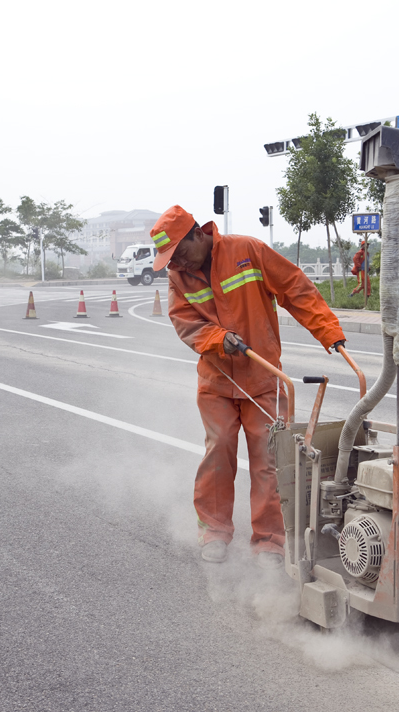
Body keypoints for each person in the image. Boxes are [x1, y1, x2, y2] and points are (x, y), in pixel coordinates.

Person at [150, 206, 347, 568]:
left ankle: (270, 541)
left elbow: (295, 288)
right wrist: (216, 338)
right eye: (170, 259)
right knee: (219, 452)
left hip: (263, 380)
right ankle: (214, 530)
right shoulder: (180, 275)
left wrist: (329, 332)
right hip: (217, 380)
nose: (176, 262)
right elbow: (185, 323)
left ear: (198, 233)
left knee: (270, 460)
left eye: (179, 252)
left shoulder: (248, 252)